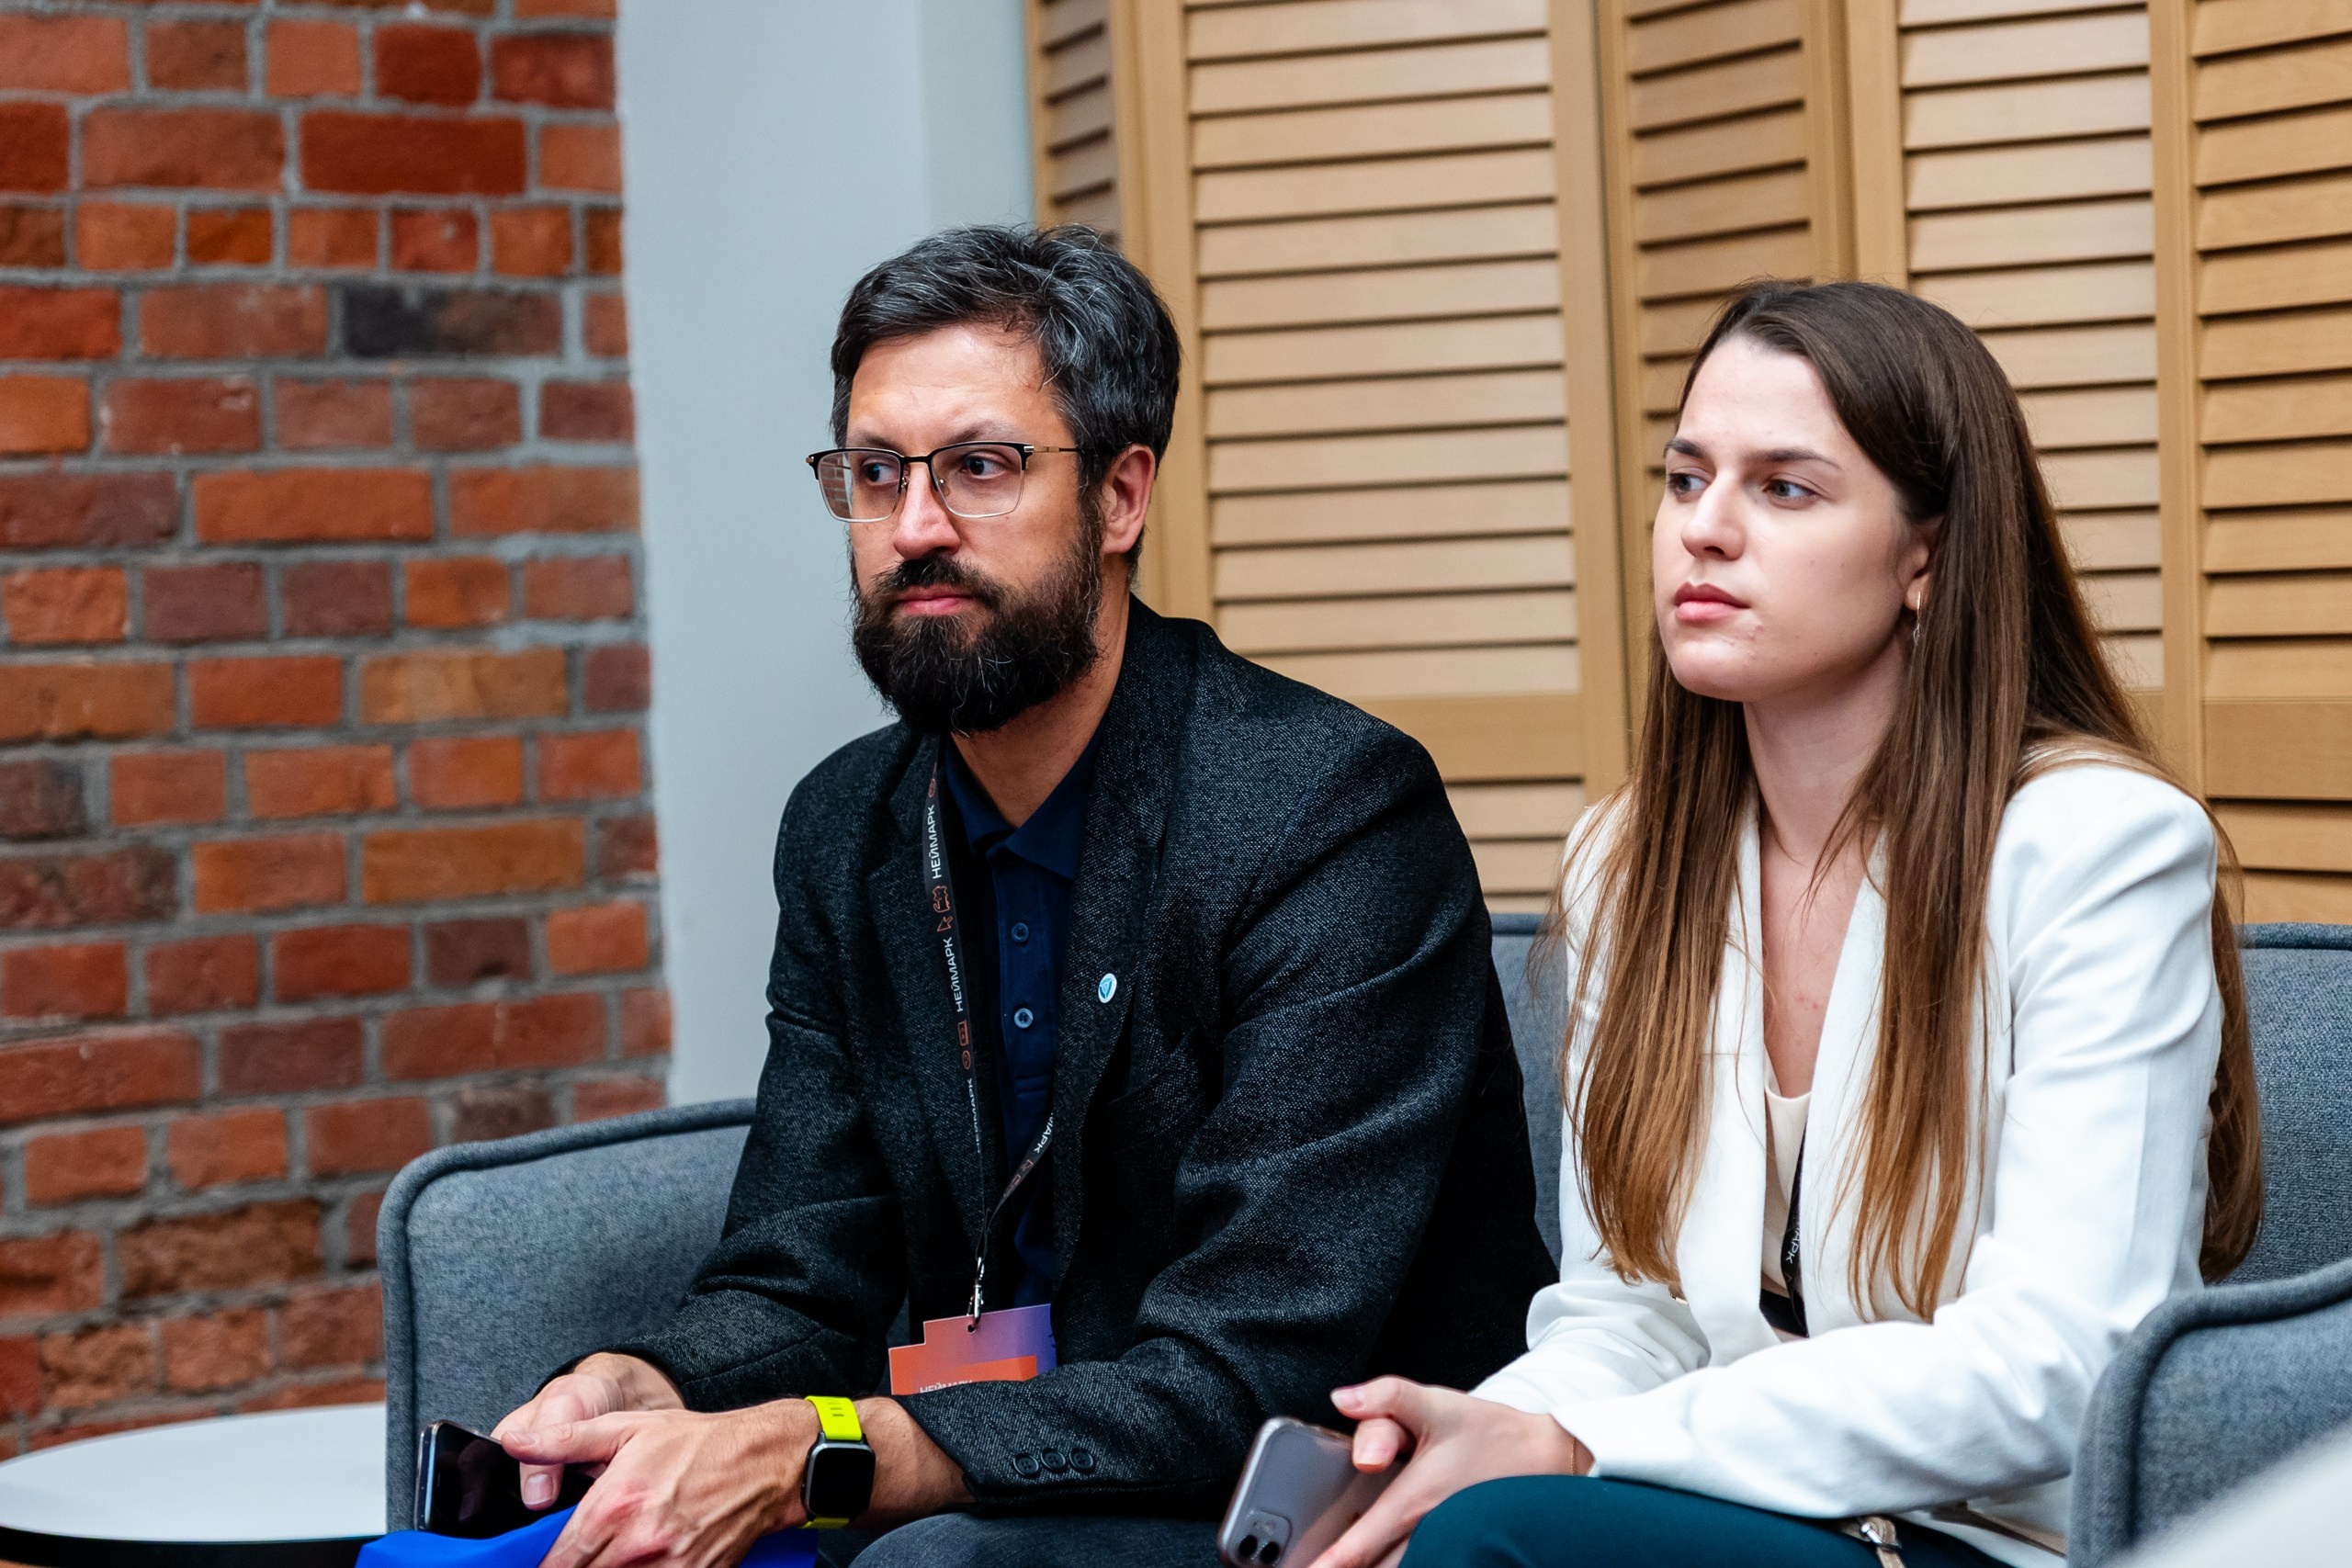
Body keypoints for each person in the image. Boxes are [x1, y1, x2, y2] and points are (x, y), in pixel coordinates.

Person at [490, 225, 1556, 1568]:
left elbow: (1248, 1370)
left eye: (981, 469)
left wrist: (829, 1450)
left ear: (1121, 498)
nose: (916, 528)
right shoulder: (849, 826)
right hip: (983, 1469)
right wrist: (647, 1385)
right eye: (877, 474)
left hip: (1312, 1503)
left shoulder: (1327, 813)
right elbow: (804, 1262)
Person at [1306, 280, 2263, 1568]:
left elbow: (2060, 1367)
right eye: (1687, 478)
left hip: (2003, 1539)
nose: (1705, 531)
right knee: (1409, 1524)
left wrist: (1588, 1452)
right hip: (1734, 1507)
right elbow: (1623, 1318)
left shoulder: (2097, 848)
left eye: (1785, 489)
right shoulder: (1626, 864)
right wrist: (1480, 1430)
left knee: (1503, 1541)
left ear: (1927, 555)